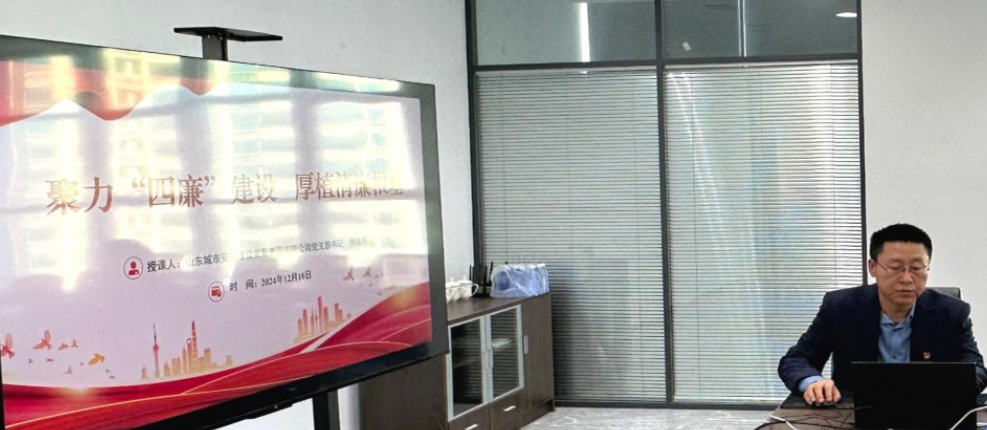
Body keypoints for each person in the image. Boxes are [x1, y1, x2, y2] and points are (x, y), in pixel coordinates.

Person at [778, 223, 987, 406]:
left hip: (930, 413)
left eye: (916, 268)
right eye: (896, 268)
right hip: (855, 413)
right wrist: (814, 382)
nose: (907, 278)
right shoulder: (840, 307)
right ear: (873, 267)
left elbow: (977, 370)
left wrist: (947, 389)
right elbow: (796, 359)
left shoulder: (951, 312)